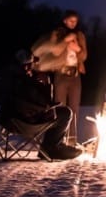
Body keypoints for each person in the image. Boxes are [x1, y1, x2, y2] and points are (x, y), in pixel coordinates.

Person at [0, 51, 81, 160]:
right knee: (65, 112)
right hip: (27, 124)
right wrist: (46, 85)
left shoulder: (5, 79)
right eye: (32, 64)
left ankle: (50, 147)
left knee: (53, 113)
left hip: (7, 120)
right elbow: (45, 105)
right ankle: (51, 148)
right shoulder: (29, 83)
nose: (33, 67)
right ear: (27, 66)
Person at [31, 9, 88, 144]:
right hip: (61, 74)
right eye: (71, 20)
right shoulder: (57, 33)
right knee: (60, 108)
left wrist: (78, 49)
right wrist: (66, 41)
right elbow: (55, 51)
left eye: (76, 21)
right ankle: (57, 140)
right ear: (65, 20)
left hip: (75, 75)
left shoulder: (79, 35)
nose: (74, 23)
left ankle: (72, 140)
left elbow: (84, 56)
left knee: (74, 109)